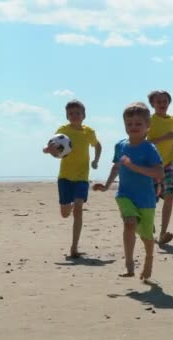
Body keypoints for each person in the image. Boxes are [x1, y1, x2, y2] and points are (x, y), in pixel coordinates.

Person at [93, 102, 163, 280]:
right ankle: (129, 265)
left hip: (146, 199)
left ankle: (149, 259)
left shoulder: (149, 148)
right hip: (124, 195)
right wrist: (107, 186)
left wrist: (134, 167)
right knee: (129, 223)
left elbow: (158, 172)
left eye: (138, 124)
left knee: (146, 236)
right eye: (129, 124)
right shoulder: (121, 146)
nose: (133, 127)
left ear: (148, 126)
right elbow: (116, 167)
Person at [43, 100, 102, 258]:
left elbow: (97, 145)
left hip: (82, 177)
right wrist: (49, 150)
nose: (74, 116)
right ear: (67, 116)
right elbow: (50, 149)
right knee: (65, 213)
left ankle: (74, 248)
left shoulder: (88, 132)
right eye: (71, 113)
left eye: (77, 113)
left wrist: (95, 160)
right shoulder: (63, 131)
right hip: (65, 177)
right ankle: (68, 206)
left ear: (84, 115)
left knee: (78, 209)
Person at [146, 90, 173, 246]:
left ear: (169, 103)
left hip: (169, 163)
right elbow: (145, 143)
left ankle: (163, 233)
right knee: (151, 200)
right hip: (151, 164)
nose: (162, 104)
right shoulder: (149, 120)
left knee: (169, 196)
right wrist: (164, 138)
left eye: (165, 101)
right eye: (158, 102)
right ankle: (148, 228)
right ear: (153, 104)